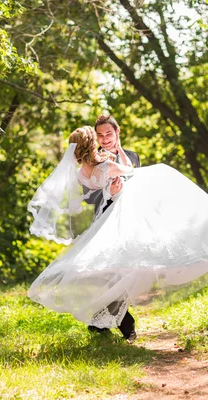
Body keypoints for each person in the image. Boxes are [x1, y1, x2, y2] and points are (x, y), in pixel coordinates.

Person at [27, 126, 208, 343]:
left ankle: (107, 321)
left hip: (103, 219)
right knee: (124, 266)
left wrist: (109, 184)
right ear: (91, 144)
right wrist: (116, 158)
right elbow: (130, 171)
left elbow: (96, 191)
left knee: (115, 271)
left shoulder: (81, 174)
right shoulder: (107, 165)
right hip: (121, 214)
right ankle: (117, 323)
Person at [83, 115, 140, 339]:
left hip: (130, 220)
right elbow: (87, 196)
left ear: (118, 132)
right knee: (111, 273)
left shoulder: (133, 156)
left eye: (109, 134)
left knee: (125, 272)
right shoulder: (92, 158)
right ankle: (126, 323)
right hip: (106, 219)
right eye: (100, 135)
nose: (105, 139)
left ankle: (99, 323)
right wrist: (109, 194)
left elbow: (138, 185)